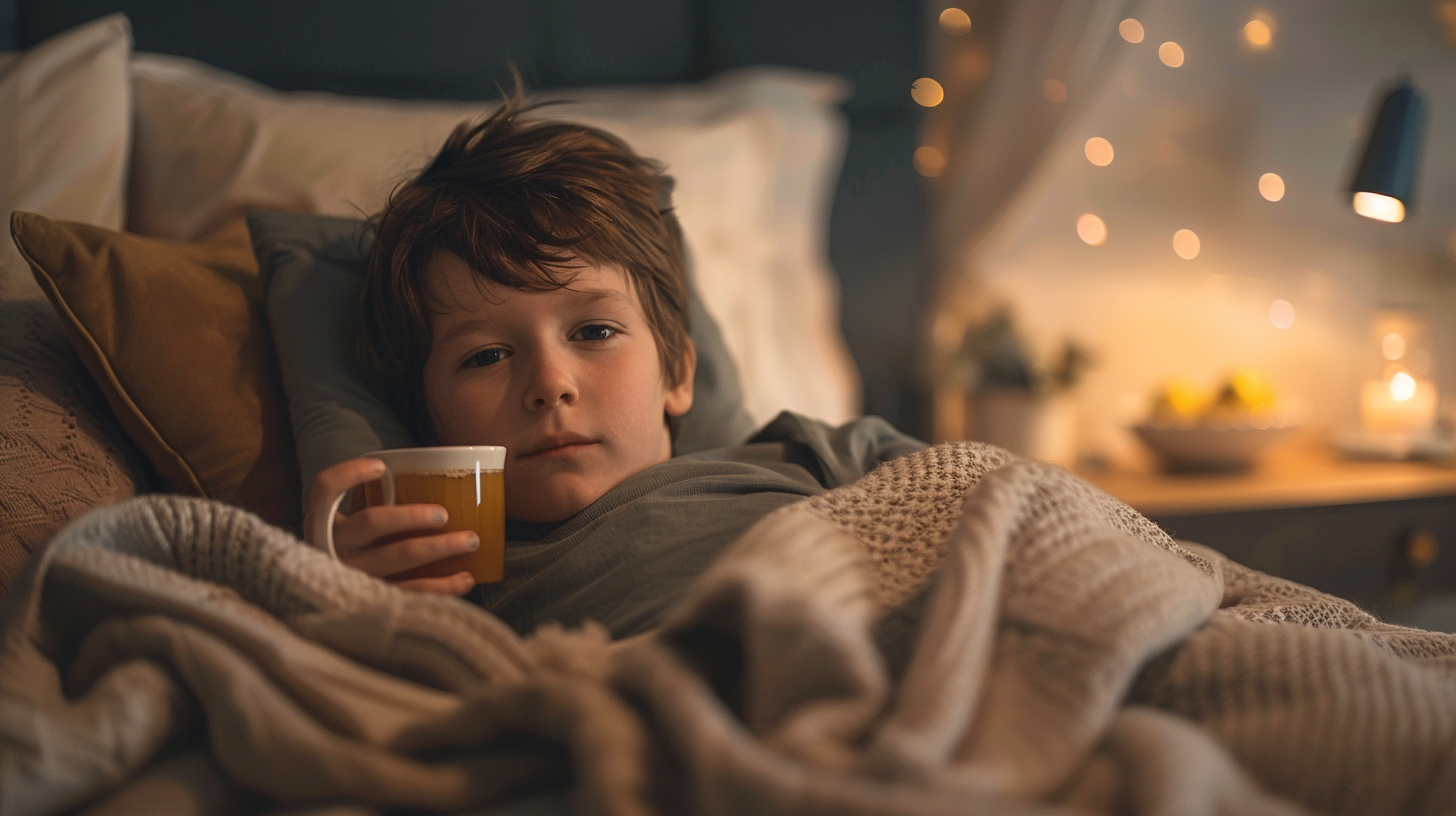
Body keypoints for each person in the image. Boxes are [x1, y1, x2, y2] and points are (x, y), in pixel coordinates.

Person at [304, 87, 923, 637]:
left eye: (595, 330)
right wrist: (334, 591)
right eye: (486, 356)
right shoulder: (453, 575)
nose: (550, 385)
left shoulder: (806, 454)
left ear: (679, 374)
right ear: (428, 417)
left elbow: (987, 507)